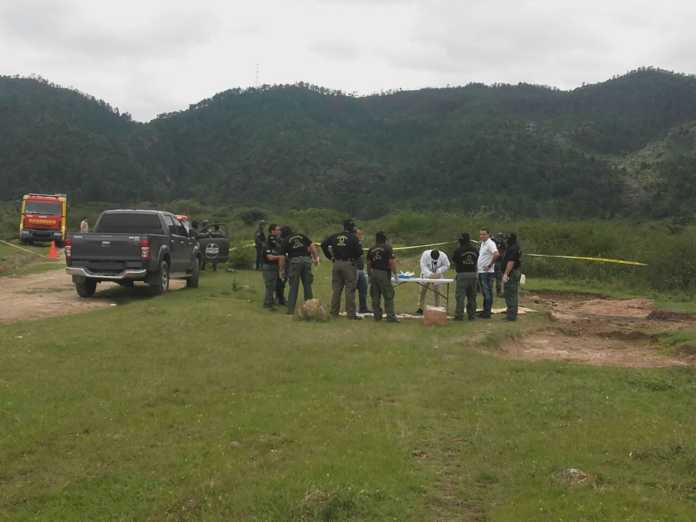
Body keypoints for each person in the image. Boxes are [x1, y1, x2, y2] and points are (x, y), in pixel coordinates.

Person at [321, 219, 364, 320]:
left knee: (336, 290)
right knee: (350, 290)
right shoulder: (353, 237)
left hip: (336, 263)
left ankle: (334, 312)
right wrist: (353, 256)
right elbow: (359, 252)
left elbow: (323, 245)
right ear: (352, 228)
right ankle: (351, 314)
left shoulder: (335, 236)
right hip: (349, 264)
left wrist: (330, 257)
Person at [281, 226, 320, 315]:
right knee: (307, 286)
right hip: (306, 260)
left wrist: (282, 270)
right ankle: (310, 309)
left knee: (293, 286)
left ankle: (290, 310)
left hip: (295, 262)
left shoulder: (285, 240)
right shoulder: (301, 236)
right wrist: (316, 258)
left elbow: (282, 257)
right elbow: (312, 246)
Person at [367, 231, 399, 323]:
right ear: (385, 239)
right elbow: (391, 262)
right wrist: (395, 274)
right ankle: (390, 317)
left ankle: (377, 316)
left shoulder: (371, 249)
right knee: (388, 295)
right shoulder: (388, 248)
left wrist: (369, 275)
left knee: (375, 296)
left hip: (374, 273)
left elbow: (369, 263)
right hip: (383, 273)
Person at [451, 233, 479, 320]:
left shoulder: (458, 250)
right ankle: (472, 315)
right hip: (473, 275)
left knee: (460, 296)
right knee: (472, 296)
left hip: (462, 274)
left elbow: (454, 261)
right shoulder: (475, 250)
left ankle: (459, 315)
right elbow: (477, 259)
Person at [416, 248, 450, 314]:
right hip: (426, 274)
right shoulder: (425, 254)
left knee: (437, 292)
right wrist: (430, 274)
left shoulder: (443, 256)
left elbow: (447, 265)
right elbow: (423, 266)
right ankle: (420, 308)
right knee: (422, 291)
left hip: (438, 275)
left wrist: (439, 271)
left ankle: (437, 307)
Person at [477, 228, 500, 319]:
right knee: (486, 293)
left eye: (484, 234)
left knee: (487, 293)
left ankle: (487, 313)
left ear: (488, 235)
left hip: (487, 272)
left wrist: (490, 265)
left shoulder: (490, 243)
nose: (482, 236)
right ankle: (485, 311)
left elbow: (496, 254)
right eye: (481, 234)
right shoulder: (483, 243)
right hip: (482, 271)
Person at [261, 224, 284, 310]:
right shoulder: (268, 242)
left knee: (274, 286)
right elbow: (269, 257)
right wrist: (280, 257)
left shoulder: (277, 241)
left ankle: (272, 301)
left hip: (275, 266)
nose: (279, 231)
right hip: (268, 266)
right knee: (270, 286)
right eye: (277, 230)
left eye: (279, 230)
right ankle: (267, 304)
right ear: (272, 231)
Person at [502, 233, 522, 321]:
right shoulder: (514, 247)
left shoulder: (513, 248)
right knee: (511, 294)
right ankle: (511, 313)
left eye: (507, 239)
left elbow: (511, 262)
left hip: (511, 273)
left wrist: (506, 274)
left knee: (510, 294)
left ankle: (511, 315)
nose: (505, 241)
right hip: (514, 272)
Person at [355, 228, 371, 314]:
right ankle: (351, 309)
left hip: (361, 269)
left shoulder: (360, 244)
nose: (361, 236)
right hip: (354, 269)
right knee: (352, 290)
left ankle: (363, 308)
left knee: (363, 289)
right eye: (359, 234)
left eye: (362, 234)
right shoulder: (353, 243)